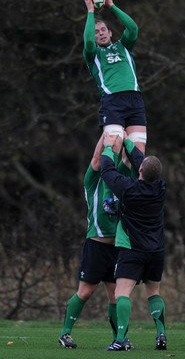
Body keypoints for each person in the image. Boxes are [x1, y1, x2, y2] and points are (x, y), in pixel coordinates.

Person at [58, 134, 132, 350]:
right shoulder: (94, 180)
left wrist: (128, 138)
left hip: (117, 246)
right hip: (96, 245)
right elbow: (96, 158)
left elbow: (129, 160)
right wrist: (107, 133)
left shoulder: (120, 177)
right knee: (86, 291)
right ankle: (65, 333)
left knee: (116, 296)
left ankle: (120, 338)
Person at [100, 133, 167, 351]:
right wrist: (129, 141)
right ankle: (161, 335)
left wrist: (109, 147)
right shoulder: (160, 188)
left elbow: (107, 171)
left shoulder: (128, 190)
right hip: (156, 250)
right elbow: (141, 162)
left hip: (133, 249)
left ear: (139, 171)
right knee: (153, 293)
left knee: (121, 293)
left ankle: (121, 339)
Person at [83, 0, 147, 214]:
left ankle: (133, 196)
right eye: (96, 31)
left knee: (136, 155)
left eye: (103, 29)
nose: (99, 33)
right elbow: (88, 44)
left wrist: (111, 5)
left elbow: (133, 28)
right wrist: (90, 11)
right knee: (115, 145)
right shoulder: (93, 56)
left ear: (110, 33)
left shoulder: (124, 47)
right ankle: (109, 198)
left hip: (135, 101)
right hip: (112, 102)